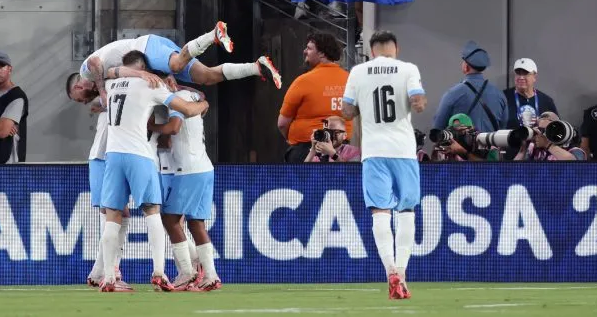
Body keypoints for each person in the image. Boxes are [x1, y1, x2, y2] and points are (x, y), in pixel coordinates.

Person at [96, 50, 209, 292]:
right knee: (152, 213)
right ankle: (159, 272)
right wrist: (203, 103)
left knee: (112, 216)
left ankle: (109, 278)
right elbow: (187, 110)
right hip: (139, 155)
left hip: (113, 156)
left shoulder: (112, 83)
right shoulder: (151, 85)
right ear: (144, 68)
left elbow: (108, 71)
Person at [342, 30, 425, 301]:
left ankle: (389, 270)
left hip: (374, 152)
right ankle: (401, 272)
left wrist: (364, 106)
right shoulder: (408, 69)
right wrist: (416, 103)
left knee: (380, 213)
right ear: (396, 48)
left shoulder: (358, 72)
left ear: (371, 50)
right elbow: (418, 102)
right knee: (407, 211)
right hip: (403, 151)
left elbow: (346, 112)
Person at [71, 25, 281, 93]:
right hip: (149, 58)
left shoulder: (86, 73)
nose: (85, 99)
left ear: (78, 86)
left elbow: (94, 63)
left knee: (177, 64)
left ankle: (213, 34)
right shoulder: (106, 77)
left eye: (80, 97)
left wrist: (102, 92)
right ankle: (257, 67)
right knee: (206, 77)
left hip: (145, 48)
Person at [64, 74, 127, 289]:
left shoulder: (108, 90)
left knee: (120, 213)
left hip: (114, 157)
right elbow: (100, 102)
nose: (83, 103)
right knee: (110, 212)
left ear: (79, 86)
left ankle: (101, 270)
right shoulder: (103, 96)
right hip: (102, 158)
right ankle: (110, 270)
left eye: (79, 98)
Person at [158, 87, 222, 292]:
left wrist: (152, 126)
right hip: (204, 166)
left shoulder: (177, 99)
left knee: (170, 220)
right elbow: (201, 97)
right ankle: (210, 276)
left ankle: (186, 273)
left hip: (188, 169)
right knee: (196, 223)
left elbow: (174, 128)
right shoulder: (193, 95)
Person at [278, 32, 350, 163]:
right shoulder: (350, 79)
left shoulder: (302, 81)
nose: (304, 51)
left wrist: (294, 140)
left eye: (309, 48)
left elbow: (282, 124)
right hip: (345, 151)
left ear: (321, 53)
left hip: (305, 150)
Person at [433, 41, 506, 133]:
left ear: (466, 67)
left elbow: (438, 127)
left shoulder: (453, 93)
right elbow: (503, 128)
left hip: (461, 143)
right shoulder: (500, 95)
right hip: (491, 142)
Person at [503, 58, 559, 131]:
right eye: (518, 73)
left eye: (525, 73)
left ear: (534, 77)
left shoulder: (546, 101)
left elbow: (557, 129)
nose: (521, 77)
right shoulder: (503, 98)